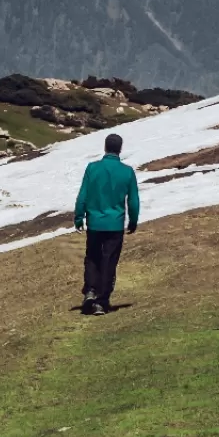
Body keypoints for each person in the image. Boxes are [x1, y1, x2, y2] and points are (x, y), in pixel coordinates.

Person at [74, 132, 139, 315]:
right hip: (115, 224)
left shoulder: (92, 168)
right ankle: (102, 302)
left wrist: (79, 217)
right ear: (120, 149)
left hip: (94, 222)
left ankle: (90, 291)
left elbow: (83, 195)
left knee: (92, 258)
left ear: (105, 147)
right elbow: (133, 200)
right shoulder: (127, 171)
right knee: (109, 261)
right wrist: (132, 221)